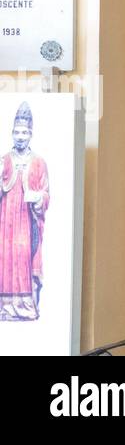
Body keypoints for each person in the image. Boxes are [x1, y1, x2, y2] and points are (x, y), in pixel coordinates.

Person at [0, 102, 50, 321]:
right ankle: (5, 305)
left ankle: (25, 305)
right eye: (16, 132)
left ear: (31, 134)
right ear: (12, 133)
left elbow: (47, 193)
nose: (20, 136)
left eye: (24, 132)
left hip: (26, 221)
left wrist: (38, 196)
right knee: (5, 256)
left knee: (22, 256)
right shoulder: (4, 161)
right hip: (5, 221)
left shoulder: (39, 163)